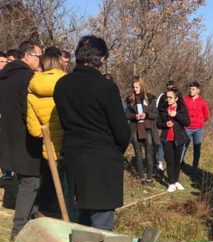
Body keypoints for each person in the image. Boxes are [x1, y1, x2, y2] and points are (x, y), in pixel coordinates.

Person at [54, 35, 130, 231]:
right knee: (101, 222)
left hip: (74, 156)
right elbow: (122, 132)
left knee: (82, 216)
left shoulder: (62, 85)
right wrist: (115, 151)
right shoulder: (105, 87)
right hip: (101, 159)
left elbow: (64, 121)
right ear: (102, 59)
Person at [26, 51, 77, 220]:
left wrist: (46, 128)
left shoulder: (33, 90)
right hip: (70, 145)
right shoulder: (69, 84)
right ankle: (72, 221)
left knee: (54, 186)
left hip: (49, 149)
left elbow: (34, 130)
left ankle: (52, 214)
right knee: (70, 189)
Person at [0, 40, 43, 238]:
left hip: (8, 136)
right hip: (26, 137)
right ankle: (18, 230)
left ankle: (32, 218)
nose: (40, 61)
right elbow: (30, 110)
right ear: (27, 56)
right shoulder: (28, 78)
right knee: (30, 182)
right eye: (38, 56)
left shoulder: (4, 77)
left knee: (24, 180)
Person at [126, 77, 160, 184]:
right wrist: (134, 116)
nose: (135, 89)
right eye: (134, 87)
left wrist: (147, 115)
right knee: (138, 153)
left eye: (137, 87)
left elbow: (156, 114)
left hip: (148, 128)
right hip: (135, 128)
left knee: (149, 154)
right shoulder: (130, 99)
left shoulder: (150, 98)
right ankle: (142, 177)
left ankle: (149, 178)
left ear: (142, 86)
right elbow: (126, 114)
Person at [157, 88, 190, 192]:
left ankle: (176, 181)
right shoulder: (163, 108)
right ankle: (171, 183)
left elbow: (187, 122)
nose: (168, 99)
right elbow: (158, 123)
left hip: (179, 138)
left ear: (176, 98)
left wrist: (176, 115)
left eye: (170, 97)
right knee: (169, 161)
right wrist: (165, 124)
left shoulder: (181, 108)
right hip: (167, 138)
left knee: (177, 161)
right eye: (167, 97)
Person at [181, 81, 209, 169]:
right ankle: (179, 163)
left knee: (197, 147)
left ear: (198, 90)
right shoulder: (184, 100)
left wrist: (199, 121)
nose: (191, 90)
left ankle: (195, 166)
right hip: (187, 128)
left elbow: (206, 116)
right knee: (183, 146)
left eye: (193, 89)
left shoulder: (203, 102)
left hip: (198, 129)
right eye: (190, 89)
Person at [155, 80, 177, 171]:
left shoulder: (177, 96)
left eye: (172, 86)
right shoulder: (162, 96)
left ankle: (172, 163)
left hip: (175, 124)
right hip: (163, 121)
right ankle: (159, 161)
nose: (170, 87)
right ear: (166, 86)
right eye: (168, 86)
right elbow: (157, 108)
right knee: (162, 142)